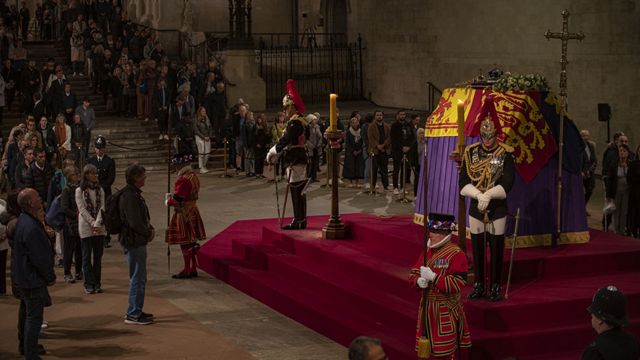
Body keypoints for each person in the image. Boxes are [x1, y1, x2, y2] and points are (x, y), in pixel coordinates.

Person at [460, 115, 515, 302]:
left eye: (491, 136)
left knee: (497, 247)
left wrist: (490, 195)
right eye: (485, 135)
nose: (488, 140)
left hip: (497, 206)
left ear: (496, 135)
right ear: (480, 135)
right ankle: (479, 284)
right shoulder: (470, 152)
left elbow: (508, 182)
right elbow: (464, 182)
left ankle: (495, 285)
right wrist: (479, 195)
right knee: (477, 247)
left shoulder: (505, 153)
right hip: (477, 204)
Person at [409, 213, 471, 359]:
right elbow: (413, 272)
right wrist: (417, 280)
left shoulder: (456, 254)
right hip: (427, 309)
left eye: (435, 232)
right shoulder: (427, 251)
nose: (430, 234)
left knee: (445, 352)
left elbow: (458, 283)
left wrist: (434, 278)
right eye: (430, 230)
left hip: (445, 309)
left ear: (445, 234)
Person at [12, 188, 56, 359]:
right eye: (37, 197)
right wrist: (49, 276)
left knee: (26, 313)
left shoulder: (25, 219)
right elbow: (39, 257)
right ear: (31, 203)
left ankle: (26, 346)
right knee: (34, 318)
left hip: (24, 276)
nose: (40, 198)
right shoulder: (30, 226)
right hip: (32, 279)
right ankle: (30, 354)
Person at [267, 79, 309, 230]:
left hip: (295, 160)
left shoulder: (294, 123)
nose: (284, 111)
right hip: (298, 158)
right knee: (299, 191)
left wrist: (273, 151)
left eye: (286, 108)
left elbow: (285, 140)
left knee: (297, 191)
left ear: (292, 107)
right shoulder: (300, 121)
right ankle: (301, 219)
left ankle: (299, 219)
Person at [119, 164, 155, 325]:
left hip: (136, 240)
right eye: (143, 176)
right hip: (134, 241)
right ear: (135, 178)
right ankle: (133, 313)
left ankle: (136, 309)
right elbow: (134, 221)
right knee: (137, 278)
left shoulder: (132, 194)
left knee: (139, 277)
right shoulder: (130, 196)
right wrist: (148, 232)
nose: (145, 178)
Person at [165, 155, 206, 279]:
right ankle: (193, 267)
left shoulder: (183, 179)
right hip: (193, 210)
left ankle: (187, 269)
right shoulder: (193, 176)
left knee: (185, 242)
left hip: (183, 212)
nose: (175, 167)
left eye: (176, 165)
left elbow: (177, 200)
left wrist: (168, 200)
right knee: (192, 242)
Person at [581, 286, 640, 360]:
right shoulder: (634, 342)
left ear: (600, 320)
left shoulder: (595, 352)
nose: (591, 316)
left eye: (592, 313)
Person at [75, 164, 106, 294]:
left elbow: (102, 207)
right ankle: (89, 283)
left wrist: (98, 223)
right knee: (86, 257)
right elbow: (82, 209)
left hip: (99, 227)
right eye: (93, 173)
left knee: (98, 257)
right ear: (86, 175)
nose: (95, 176)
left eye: (96, 173)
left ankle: (97, 283)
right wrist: (93, 223)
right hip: (86, 227)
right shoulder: (79, 191)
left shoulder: (100, 189)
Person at [605, 144, 631, 235]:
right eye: (621, 151)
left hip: (627, 191)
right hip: (616, 189)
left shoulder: (630, 163)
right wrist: (608, 194)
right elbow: (609, 179)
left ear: (628, 153)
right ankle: (616, 230)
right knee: (616, 211)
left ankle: (622, 230)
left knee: (624, 211)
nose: (622, 152)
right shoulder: (614, 163)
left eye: (624, 151)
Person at [367, 110, 391, 191]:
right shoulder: (371, 126)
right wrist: (377, 146)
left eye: (380, 115)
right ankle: (373, 185)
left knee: (384, 169)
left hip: (384, 150)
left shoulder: (387, 126)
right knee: (374, 169)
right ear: (375, 116)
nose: (379, 116)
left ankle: (385, 185)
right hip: (375, 151)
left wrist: (384, 145)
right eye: (377, 115)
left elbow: (389, 137)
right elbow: (370, 138)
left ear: (382, 116)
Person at [343, 116, 365, 187]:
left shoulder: (361, 131)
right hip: (351, 152)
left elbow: (362, 142)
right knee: (350, 166)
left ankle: (357, 181)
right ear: (351, 124)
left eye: (356, 122)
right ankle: (350, 181)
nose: (355, 124)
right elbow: (347, 143)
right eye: (353, 122)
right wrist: (353, 151)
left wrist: (359, 150)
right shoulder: (349, 132)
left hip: (359, 151)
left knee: (358, 166)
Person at [581, 130, 597, 215]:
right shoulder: (578, 147)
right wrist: (582, 171)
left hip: (589, 173)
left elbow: (594, 160)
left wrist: (589, 171)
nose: (585, 138)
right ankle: (580, 208)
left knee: (590, 190)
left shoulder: (591, 146)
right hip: (580, 173)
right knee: (580, 191)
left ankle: (583, 206)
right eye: (583, 136)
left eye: (587, 136)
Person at [192, 106, 212, 174]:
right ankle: (201, 167)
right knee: (201, 153)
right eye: (203, 111)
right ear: (200, 112)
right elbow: (196, 130)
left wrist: (209, 136)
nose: (204, 112)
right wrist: (203, 137)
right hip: (199, 137)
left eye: (205, 111)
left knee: (207, 153)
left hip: (207, 137)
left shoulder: (207, 118)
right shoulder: (196, 119)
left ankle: (204, 165)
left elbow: (210, 127)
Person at [628, 145, 640, 238]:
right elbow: (629, 178)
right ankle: (634, 232)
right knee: (635, 214)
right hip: (635, 193)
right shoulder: (633, 164)